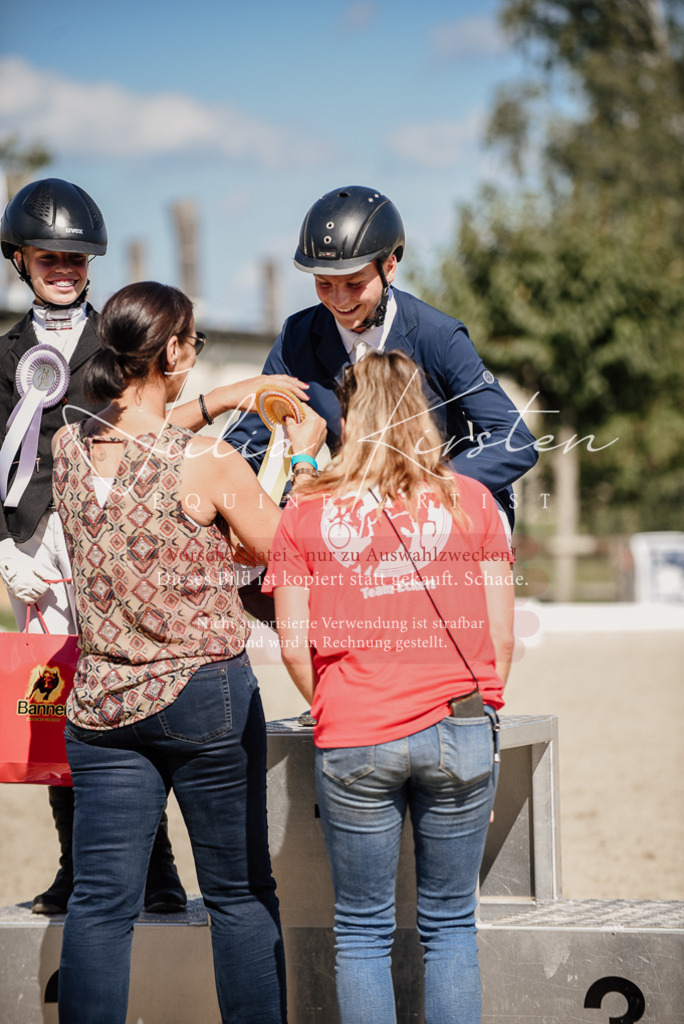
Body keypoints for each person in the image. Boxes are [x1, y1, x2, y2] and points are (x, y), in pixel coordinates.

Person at [51, 280, 324, 1024]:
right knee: (238, 896)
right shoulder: (204, 461)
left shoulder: (68, 445)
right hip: (203, 694)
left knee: (102, 904)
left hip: (103, 706)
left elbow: (139, 431)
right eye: (193, 342)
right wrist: (298, 459)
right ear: (172, 351)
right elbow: (283, 549)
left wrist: (228, 395)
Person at [264, 351, 515, 1024]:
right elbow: (502, 637)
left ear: (350, 415)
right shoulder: (474, 500)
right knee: (451, 927)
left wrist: (335, 702)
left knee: (364, 932)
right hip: (460, 725)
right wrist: (485, 728)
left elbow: (293, 644)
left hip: (357, 730)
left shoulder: (306, 511)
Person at [0, 177, 184, 914]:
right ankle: (77, 865)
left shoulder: (119, 339)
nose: (65, 269)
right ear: (20, 259)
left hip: (110, 545)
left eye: (76, 259)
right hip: (31, 548)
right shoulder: (5, 352)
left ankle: (160, 870)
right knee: (54, 711)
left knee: (127, 701)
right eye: (50, 257)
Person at [226, 185, 538, 530]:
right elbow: (246, 443)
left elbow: (514, 440)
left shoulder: (439, 336)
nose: (339, 300)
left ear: (389, 268)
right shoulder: (296, 338)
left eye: (354, 283)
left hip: (442, 510)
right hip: (353, 513)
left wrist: (426, 489)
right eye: (324, 284)